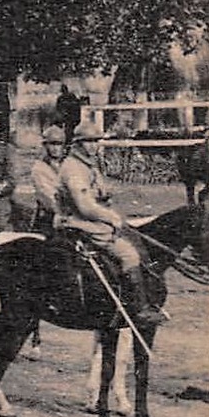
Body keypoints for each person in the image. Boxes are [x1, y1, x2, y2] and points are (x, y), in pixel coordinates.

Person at [57, 120, 164, 326]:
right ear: (77, 144)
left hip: (91, 220)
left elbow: (100, 195)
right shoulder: (73, 168)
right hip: (77, 221)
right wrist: (111, 217)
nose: (93, 145)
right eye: (88, 141)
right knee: (128, 253)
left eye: (96, 141)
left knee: (132, 238)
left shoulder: (88, 164)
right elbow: (85, 206)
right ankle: (139, 310)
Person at [29, 125, 67, 235]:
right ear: (45, 146)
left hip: (70, 215)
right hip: (48, 218)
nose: (55, 148)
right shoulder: (39, 167)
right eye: (52, 144)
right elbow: (47, 196)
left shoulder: (67, 164)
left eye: (59, 144)